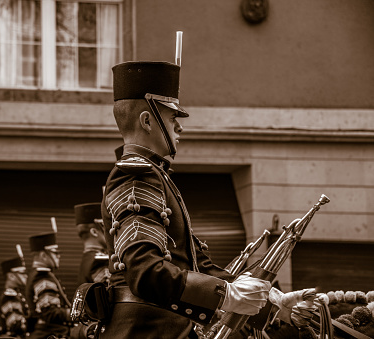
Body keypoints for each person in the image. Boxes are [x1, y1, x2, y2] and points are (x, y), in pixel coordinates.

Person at [98, 60, 272, 338]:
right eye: (172, 118)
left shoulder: (156, 175)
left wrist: (272, 304)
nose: (179, 128)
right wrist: (226, 295)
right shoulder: (136, 175)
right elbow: (145, 270)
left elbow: (196, 265)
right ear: (146, 121)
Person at [25, 232, 89, 339]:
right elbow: (50, 313)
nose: (58, 256)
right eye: (55, 253)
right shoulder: (42, 277)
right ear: (43, 255)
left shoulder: (37, 274)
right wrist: (78, 314)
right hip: (51, 333)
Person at [75, 202, 111, 285]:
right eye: (105, 227)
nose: (109, 232)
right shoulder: (99, 262)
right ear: (94, 232)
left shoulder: (87, 259)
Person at [0, 257, 30, 338]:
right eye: (22, 273)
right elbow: (17, 325)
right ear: (11, 276)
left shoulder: (17, 294)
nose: (26, 276)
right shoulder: (9, 297)